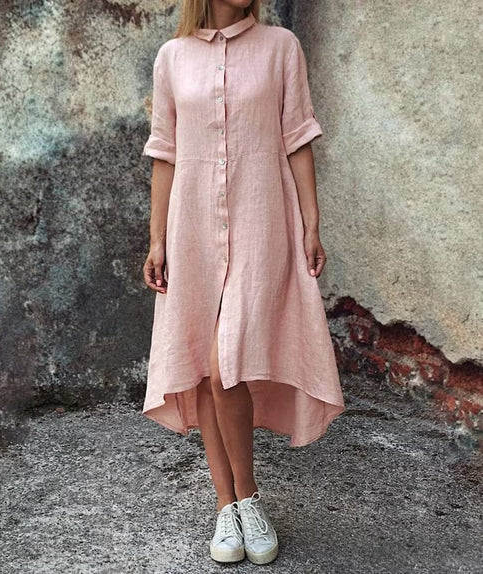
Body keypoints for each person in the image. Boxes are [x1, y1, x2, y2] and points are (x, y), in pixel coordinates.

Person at [141, 0, 346, 565]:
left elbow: (297, 139)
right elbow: (165, 153)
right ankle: (228, 506)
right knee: (209, 371)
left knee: (224, 362)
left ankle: (247, 497)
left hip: (262, 223)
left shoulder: (281, 48)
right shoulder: (172, 57)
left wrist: (311, 224)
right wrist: (157, 239)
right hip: (191, 230)